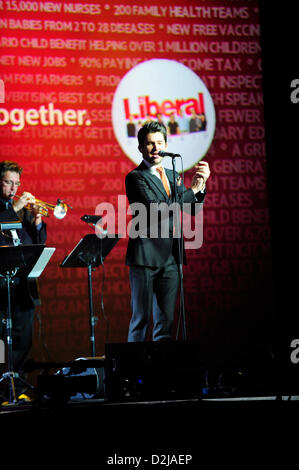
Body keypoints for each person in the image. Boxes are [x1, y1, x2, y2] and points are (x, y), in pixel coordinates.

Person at [125, 121, 210, 342]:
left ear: (166, 144)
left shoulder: (173, 174)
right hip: (145, 256)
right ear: (141, 148)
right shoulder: (136, 177)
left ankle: (160, 373)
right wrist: (191, 191)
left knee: (166, 321)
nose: (155, 148)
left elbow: (191, 208)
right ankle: (134, 374)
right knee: (141, 319)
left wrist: (201, 185)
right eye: (150, 144)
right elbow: (157, 210)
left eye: (159, 143)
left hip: (172, 256)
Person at [0, 160, 47, 401]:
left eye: (17, 183)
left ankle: (16, 387)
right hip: (1, 285)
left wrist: (37, 221)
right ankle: (1, 388)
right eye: (8, 182)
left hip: (22, 287)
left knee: (23, 338)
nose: (14, 188)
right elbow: (2, 227)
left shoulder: (20, 210)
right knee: (0, 342)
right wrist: (15, 207)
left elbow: (36, 243)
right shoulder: (7, 209)